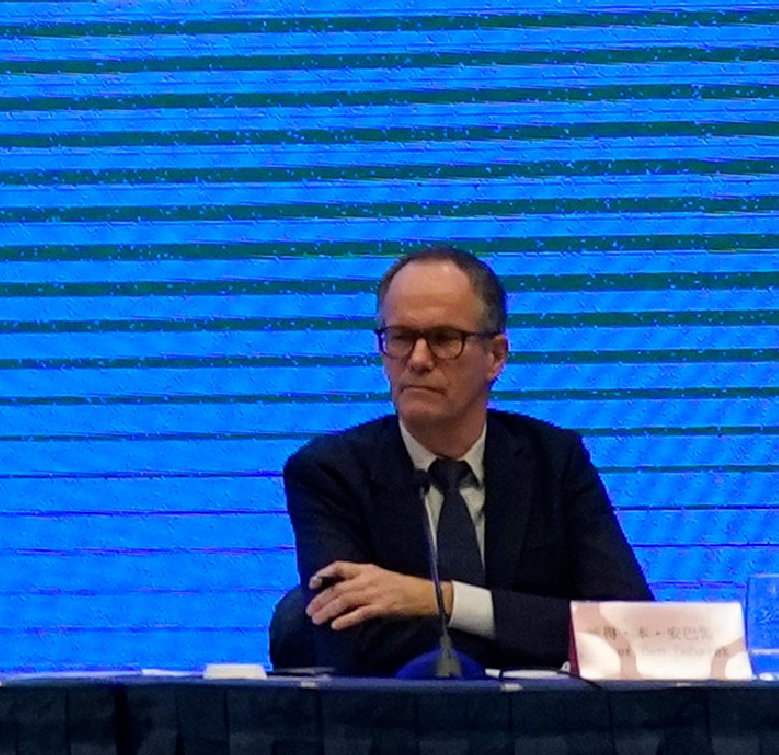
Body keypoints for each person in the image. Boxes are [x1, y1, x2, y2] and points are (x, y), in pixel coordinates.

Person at [269, 244, 653, 674]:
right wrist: (536, 627)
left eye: (444, 339)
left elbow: (630, 629)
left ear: (496, 356)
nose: (416, 360)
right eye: (399, 337)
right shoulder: (329, 472)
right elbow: (352, 646)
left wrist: (439, 599)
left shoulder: (554, 461)